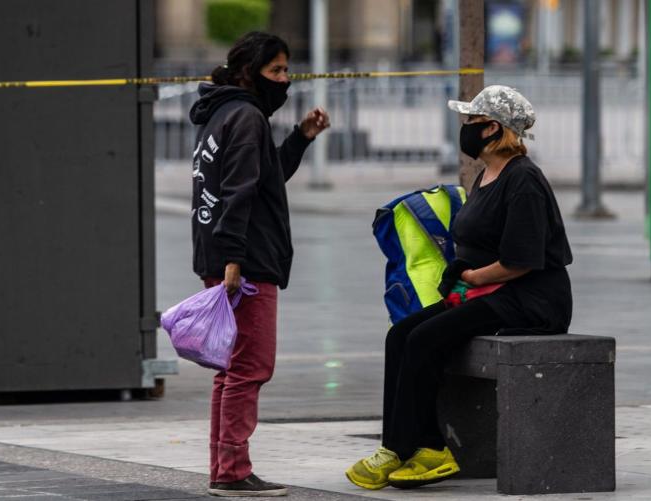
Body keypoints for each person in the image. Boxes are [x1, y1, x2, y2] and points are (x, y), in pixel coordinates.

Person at [346, 85, 573, 490]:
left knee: (425, 339)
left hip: (530, 299)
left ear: (492, 129)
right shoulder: (486, 175)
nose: (465, 128)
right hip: (493, 292)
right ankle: (396, 448)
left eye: (472, 121)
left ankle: (431, 449)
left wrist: (472, 279)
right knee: (401, 335)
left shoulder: (524, 180)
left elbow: (522, 261)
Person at [189, 32, 330, 497]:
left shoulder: (223, 113)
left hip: (226, 257)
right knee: (249, 367)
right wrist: (235, 260)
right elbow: (240, 193)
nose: (285, 80)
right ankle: (232, 472)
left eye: (287, 70)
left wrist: (301, 138)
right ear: (251, 72)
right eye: (277, 71)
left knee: (229, 370)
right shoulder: (246, 117)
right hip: (244, 263)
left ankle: (223, 467)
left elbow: (264, 177)